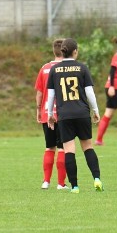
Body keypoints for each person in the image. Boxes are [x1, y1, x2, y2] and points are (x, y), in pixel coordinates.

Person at [45, 38, 103, 193]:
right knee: (88, 147)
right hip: (82, 114)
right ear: (75, 51)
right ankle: (97, 179)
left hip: (64, 115)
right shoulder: (82, 68)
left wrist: (50, 114)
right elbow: (90, 92)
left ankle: (75, 186)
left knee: (69, 150)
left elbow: (50, 96)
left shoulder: (54, 70)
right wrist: (95, 110)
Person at [34, 38, 68, 190]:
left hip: (47, 113)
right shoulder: (67, 68)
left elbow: (40, 92)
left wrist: (38, 109)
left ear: (54, 51)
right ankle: (61, 184)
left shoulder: (45, 68)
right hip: (64, 113)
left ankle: (46, 181)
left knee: (49, 147)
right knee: (63, 148)